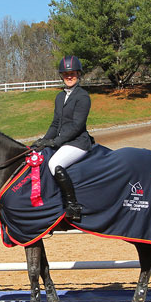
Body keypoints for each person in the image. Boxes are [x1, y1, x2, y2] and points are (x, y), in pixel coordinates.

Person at [32, 55, 94, 221]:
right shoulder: (60, 97)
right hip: (63, 142)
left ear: (78, 74)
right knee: (41, 158)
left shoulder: (82, 97)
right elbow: (55, 124)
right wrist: (43, 142)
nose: (69, 76)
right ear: (61, 75)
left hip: (77, 143)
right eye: (66, 74)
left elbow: (77, 126)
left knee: (54, 163)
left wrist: (56, 142)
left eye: (72, 73)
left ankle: (73, 205)